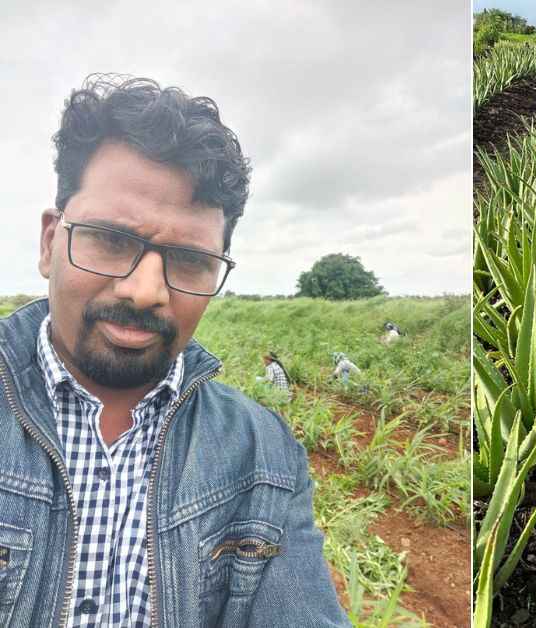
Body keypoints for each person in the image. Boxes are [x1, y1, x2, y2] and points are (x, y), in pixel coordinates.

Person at [1, 75, 349, 627]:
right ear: (50, 242)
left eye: (188, 260)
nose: (145, 291)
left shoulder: (262, 455)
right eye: (112, 241)